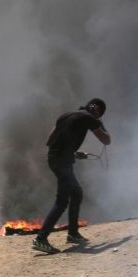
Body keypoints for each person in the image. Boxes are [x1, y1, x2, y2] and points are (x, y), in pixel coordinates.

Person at [32, 98, 111, 254]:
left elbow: (49, 141)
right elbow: (106, 140)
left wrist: (72, 152)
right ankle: (41, 239)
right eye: (99, 114)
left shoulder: (66, 115)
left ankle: (73, 234)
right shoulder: (89, 118)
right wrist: (99, 121)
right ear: (98, 111)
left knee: (76, 193)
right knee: (62, 201)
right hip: (62, 162)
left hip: (56, 159)